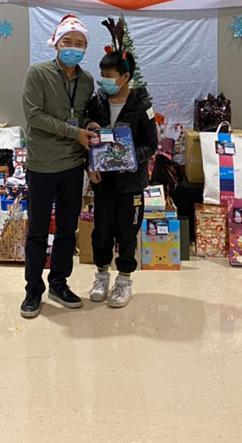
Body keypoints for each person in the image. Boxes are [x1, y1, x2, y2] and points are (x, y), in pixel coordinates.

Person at [20, 14, 96, 319]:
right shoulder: (37, 74)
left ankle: (59, 283)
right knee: (38, 231)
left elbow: (84, 116)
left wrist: (90, 126)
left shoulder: (87, 81)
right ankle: (33, 290)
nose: (74, 48)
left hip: (72, 166)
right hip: (41, 165)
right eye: (68, 41)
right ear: (56, 43)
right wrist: (73, 132)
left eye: (80, 43)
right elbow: (34, 116)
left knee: (67, 230)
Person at [84, 19, 158, 308]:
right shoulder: (97, 103)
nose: (104, 80)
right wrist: (91, 165)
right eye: (102, 74)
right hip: (103, 182)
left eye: (109, 75)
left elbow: (150, 144)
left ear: (125, 77)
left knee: (127, 233)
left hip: (130, 184)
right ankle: (101, 276)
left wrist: (130, 159)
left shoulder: (142, 106)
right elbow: (87, 138)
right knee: (101, 231)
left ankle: (124, 280)